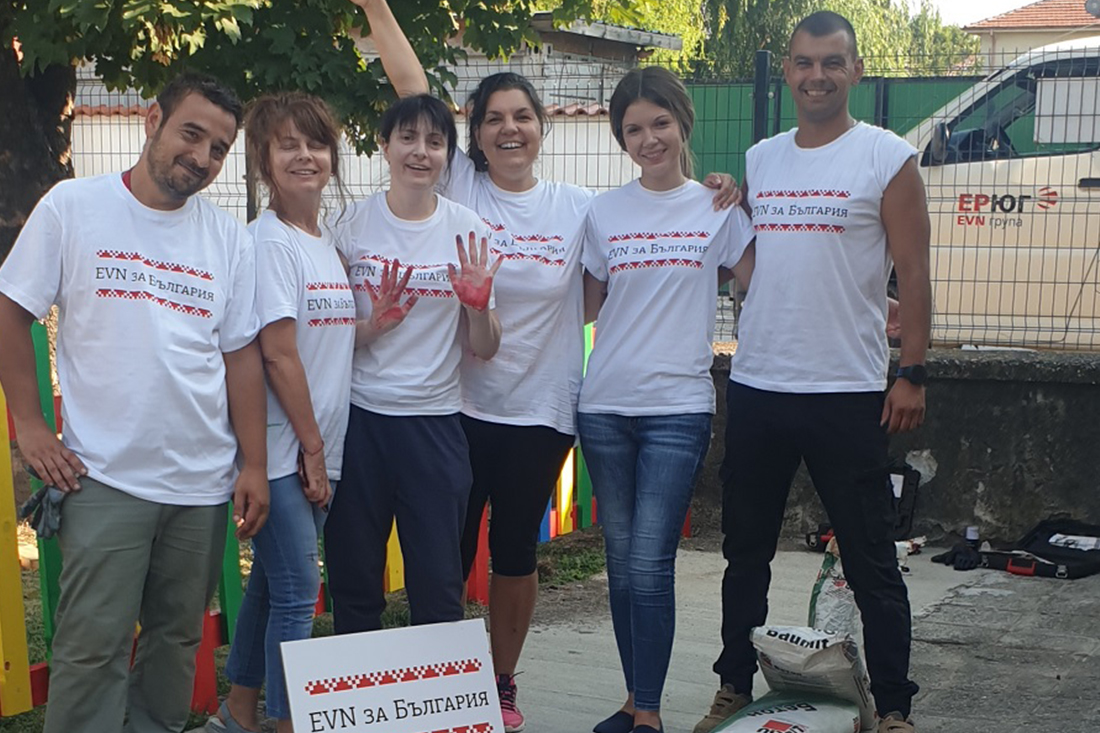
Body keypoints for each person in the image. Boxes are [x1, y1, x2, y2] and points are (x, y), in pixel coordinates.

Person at [348, 3, 738, 729]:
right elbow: (411, 87)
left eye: (522, 116)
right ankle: (438, 689)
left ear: (542, 126)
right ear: (475, 133)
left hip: (541, 408)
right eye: (494, 118)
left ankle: (499, 683)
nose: (509, 129)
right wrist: (377, 9)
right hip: (457, 404)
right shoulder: (461, 188)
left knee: (514, 551)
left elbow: (644, 236)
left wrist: (713, 189)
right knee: (443, 554)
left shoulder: (579, 208)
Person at [0, 73, 269, 733]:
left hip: (201, 483)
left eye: (218, 148)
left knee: (176, 643)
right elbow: (11, 311)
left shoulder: (227, 238)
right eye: (191, 134)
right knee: (92, 648)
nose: (202, 157)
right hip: (104, 475)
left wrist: (255, 465)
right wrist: (30, 425)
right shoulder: (74, 207)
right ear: (153, 120)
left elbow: (241, 357)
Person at [692, 12, 931, 733]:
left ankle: (894, 707)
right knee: (745, 554)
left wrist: (913, 372)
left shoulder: (887, 158)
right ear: (788, 73)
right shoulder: (763, 157)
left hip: (847, 391)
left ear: (855, 70)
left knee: (870, 559)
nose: (816, 76)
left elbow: (916, 273)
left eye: (831, 62)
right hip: (760, 385)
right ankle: (732, 686)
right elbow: (751, 253)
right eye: (803, 63)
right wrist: (722, 191)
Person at [579, 66, 755, 733]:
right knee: (621, 566)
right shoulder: (603, 212)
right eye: (633, 129)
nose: (648, 139)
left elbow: (764, 282)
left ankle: (648, 714)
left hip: (678, 408)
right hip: (605, 406)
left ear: (683, 123)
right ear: (621, 138)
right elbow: (586, 304)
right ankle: (634, 699)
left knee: (651, 563)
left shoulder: (716, 208)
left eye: (660, 124)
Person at [322, 92, 502, 636]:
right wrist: (372, 327)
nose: (421, 151)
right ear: (385, 145)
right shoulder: (348, 224)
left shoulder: (467, 229)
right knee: (355, 581)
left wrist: (477, 308)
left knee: (438, 587)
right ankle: (359, 689)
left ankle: (435, 690)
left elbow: (486, 346)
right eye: (407, 138)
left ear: (447, 154)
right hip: (360, 422)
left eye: (435, 141)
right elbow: (326, 338)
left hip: (435, 425)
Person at [213, 93, 356, 733]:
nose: (304, 156)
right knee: (299, 591)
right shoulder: (269, 243)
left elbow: (323, 338)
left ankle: (239, 712)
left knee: (273, 588)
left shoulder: (321, 240)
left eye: (316, 143)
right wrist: (313, 449)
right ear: (263, 160)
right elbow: (277, 353)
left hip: (312, 445)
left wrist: (378, 324)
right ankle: (286, 722)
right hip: (281, 450)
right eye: (287, 145)